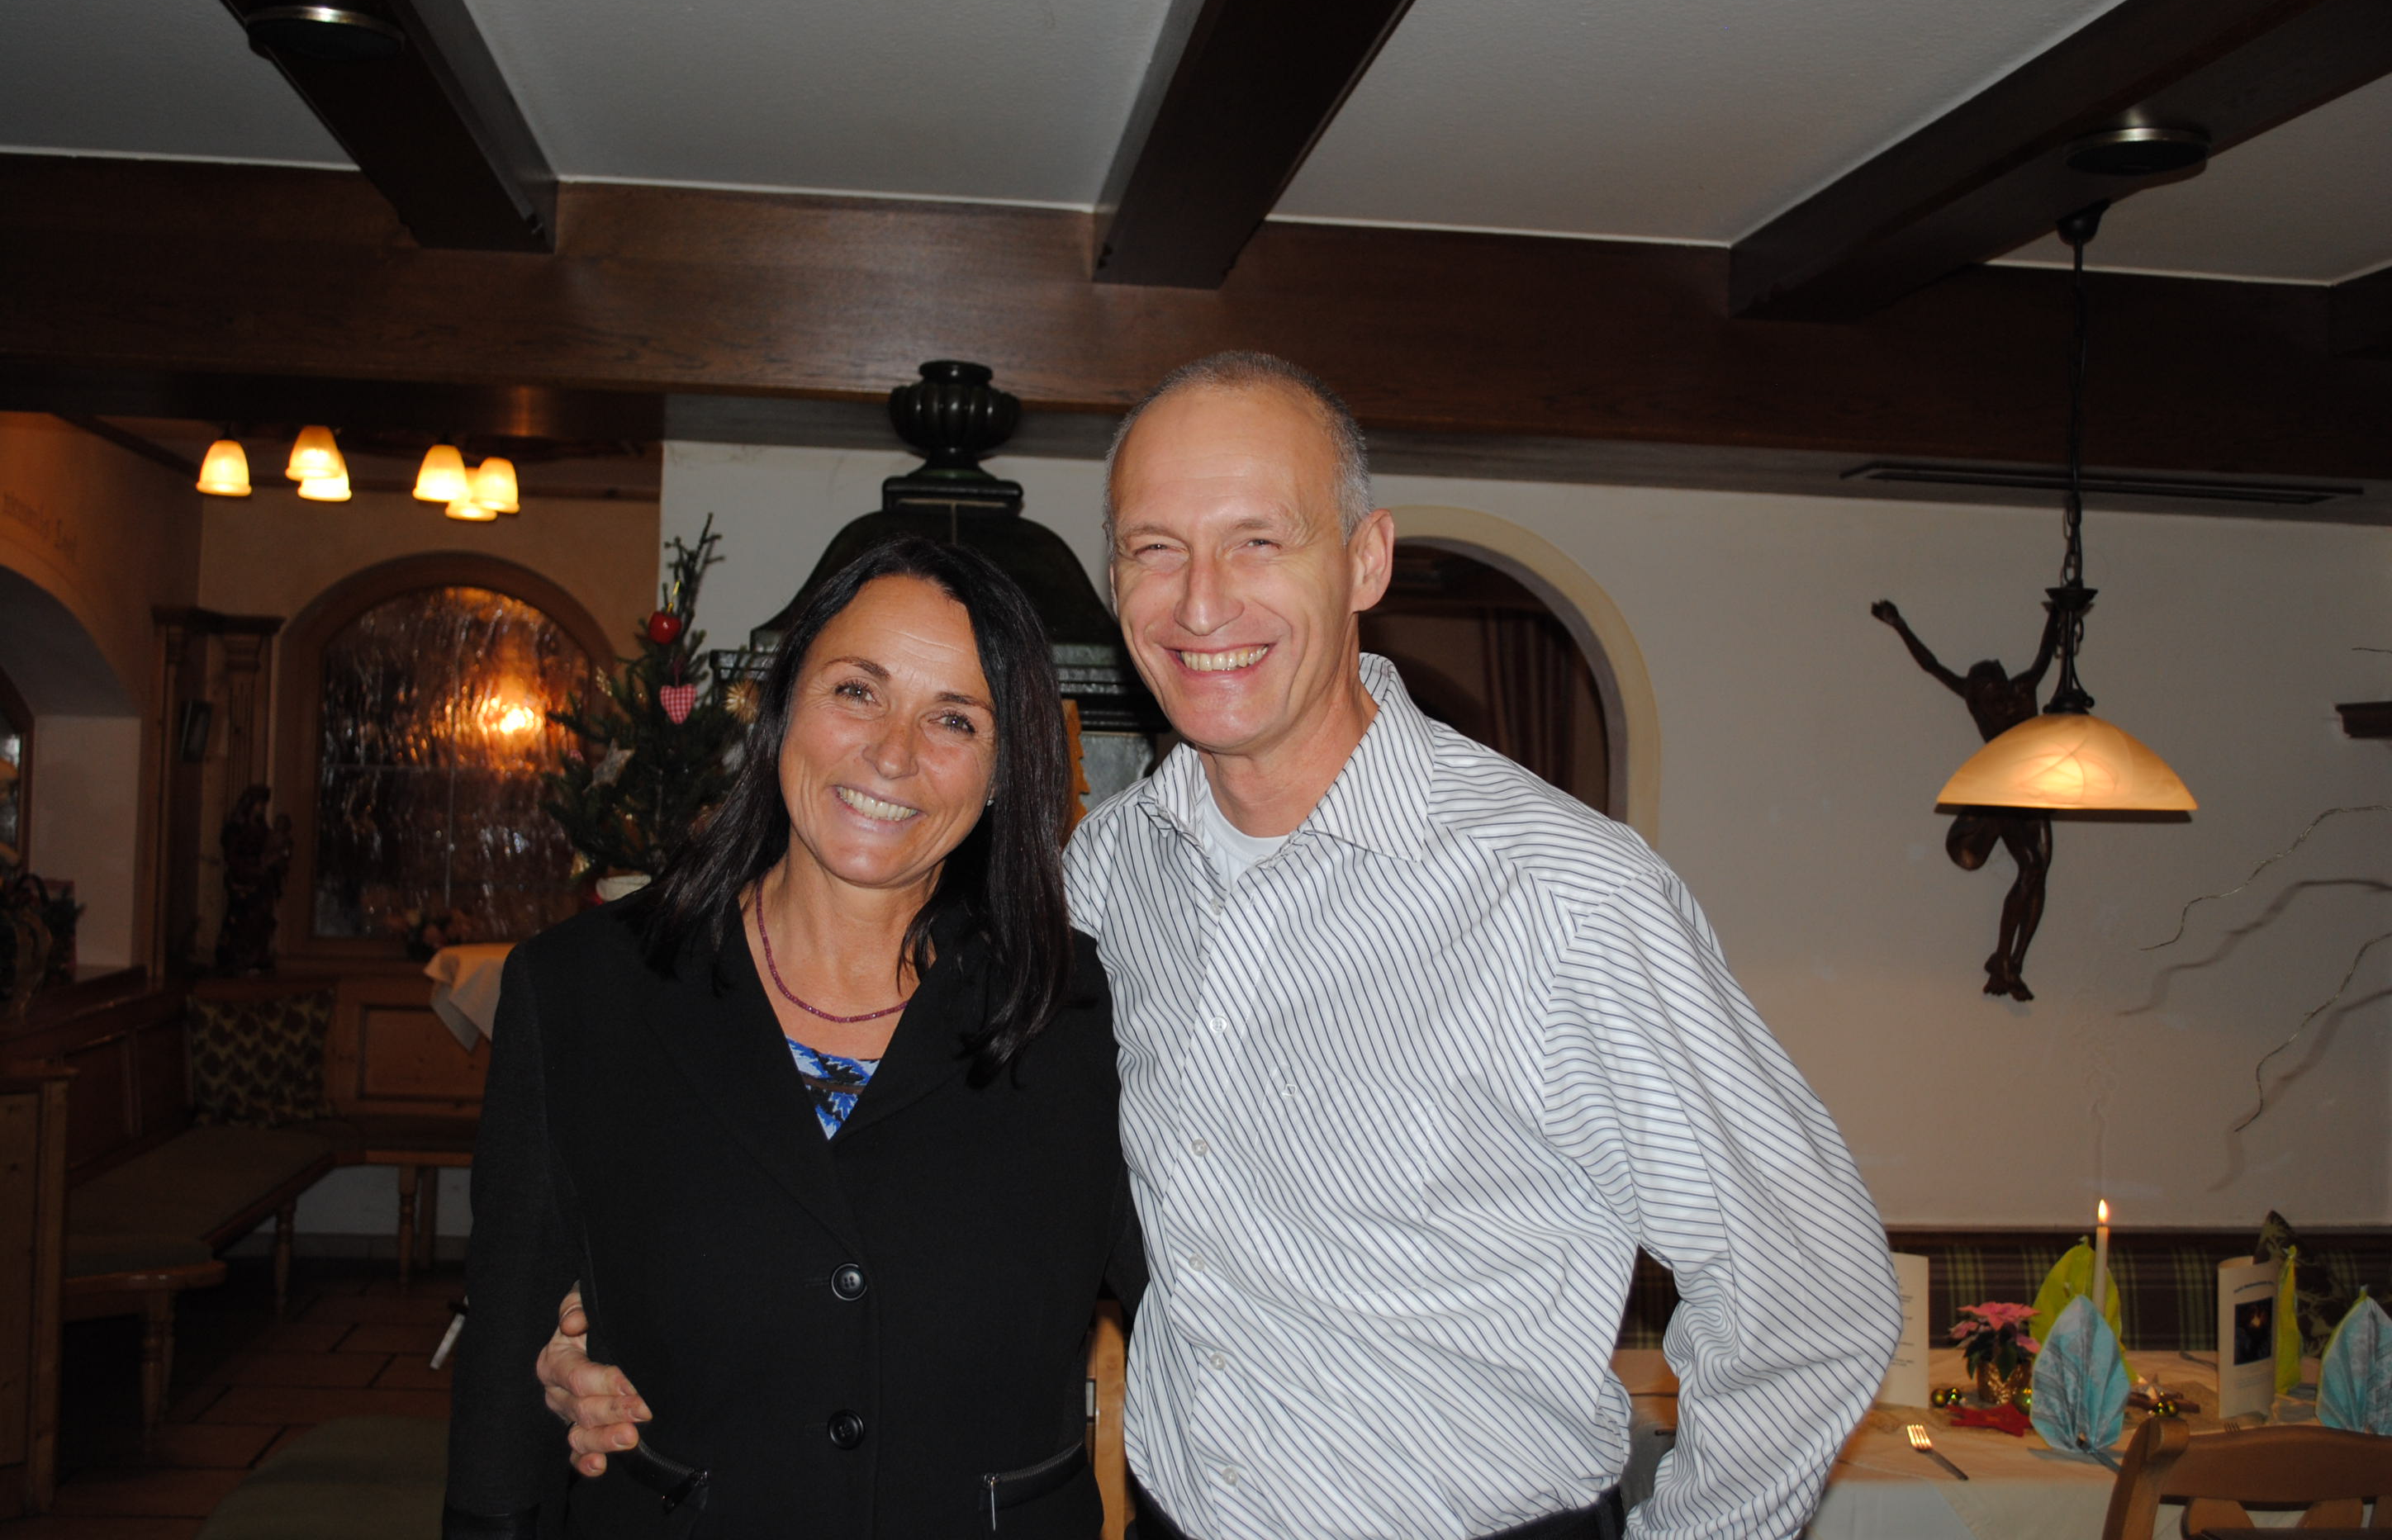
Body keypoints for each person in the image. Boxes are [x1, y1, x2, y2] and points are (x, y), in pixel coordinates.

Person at [546, 354, 1902, 1540]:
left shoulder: (1561, 894)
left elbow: (1810, 1293)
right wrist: (621, 1328)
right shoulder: (1101, 879)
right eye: (1155, 548)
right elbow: (917, 1160)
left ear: (1364, 559)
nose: (1201, 604)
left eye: (1259, 540)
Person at [443, 537, 1143, 1538]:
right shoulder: (583, 991)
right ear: (780, 709)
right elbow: (504, 1377)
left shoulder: (1087, 1011)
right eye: (857, 691)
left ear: (1003, 771)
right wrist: (543, 1374)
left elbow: (1216, 1312)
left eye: (954, 718)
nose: (893, 753)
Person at [1869, 598, 2060, 1000]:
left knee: (2039, 870)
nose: (1999, 701)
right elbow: (1932, 666)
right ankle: (2005, 961)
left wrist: (2059, 614)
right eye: (1987, 697)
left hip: (2037, 788)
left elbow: (2045, 657)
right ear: (1976, 699)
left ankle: (2012, 962)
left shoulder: (2023, 690)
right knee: (2030, 867)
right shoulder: (1979, 705)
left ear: (2006, 682)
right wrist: (1899, 624)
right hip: (2003, 792)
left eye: (1999, 690)